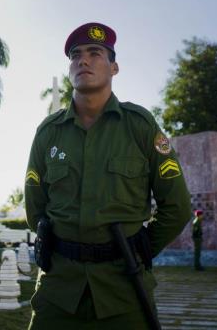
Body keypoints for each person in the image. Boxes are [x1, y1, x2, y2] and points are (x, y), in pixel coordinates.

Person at [24, 22, 192, 329]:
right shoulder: (48, 133)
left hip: (123, 289)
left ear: (114, 67)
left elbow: (177, 206)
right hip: (58, 291)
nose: (83, 60)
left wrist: (137, 250)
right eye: (75, 55)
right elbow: (35, 208)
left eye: (95, 53)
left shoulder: (140, 126)